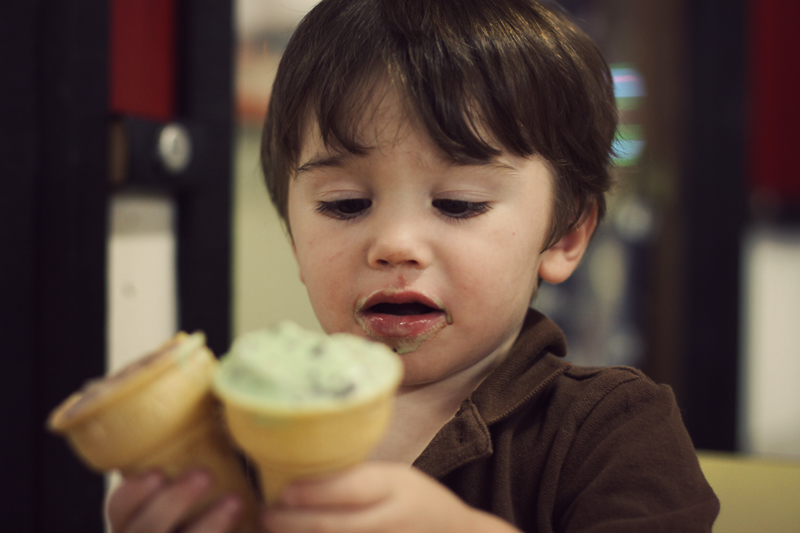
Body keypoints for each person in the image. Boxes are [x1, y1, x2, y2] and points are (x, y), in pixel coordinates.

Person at [107, 0, 720, 531]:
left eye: (459, 204)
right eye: (345, 205)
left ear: (564, 236)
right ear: (294, 239)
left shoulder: (610, 430)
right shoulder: (239, 433)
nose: (395, 245)